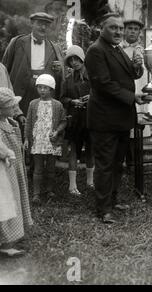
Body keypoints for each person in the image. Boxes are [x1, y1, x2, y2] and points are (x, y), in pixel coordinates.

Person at [85, 13, 144, 224]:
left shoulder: (116, 48)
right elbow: (104, 84)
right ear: (102, 29)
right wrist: (132, 97)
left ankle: (112, 199)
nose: (119, 32)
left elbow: (131, 74)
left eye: (120, 28)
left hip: (121, 118)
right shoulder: (95, 51)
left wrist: (138, 66)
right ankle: (103, 210)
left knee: (118, 163)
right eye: (113, 28)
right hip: (104, 120)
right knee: (105, 165)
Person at [1, 12, 64, 118]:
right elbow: (4, 69)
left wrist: (58, 71)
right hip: (20, 95)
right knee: (18, 126)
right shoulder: (17, 42)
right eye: (40, 24)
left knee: (41, 126)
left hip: (43, 94)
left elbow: (59, 80)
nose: (43, 27)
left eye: (46, 25)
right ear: (32, 24)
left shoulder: (55, 48)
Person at [0, 87, 33, 257]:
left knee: (15, 201)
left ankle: (10, 237)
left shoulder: (9, 122)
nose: (15, 109)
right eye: (11, 106)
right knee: (6, 205)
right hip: (3, 174)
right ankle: (5, 242)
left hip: (14, 171)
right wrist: (6, 154)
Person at [24, 74, 67, 204]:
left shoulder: (58, 105)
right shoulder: (33, 104)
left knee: (50, 168)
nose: (42, 90)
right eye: (40, 87)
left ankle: (49, 190)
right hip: (38, 140)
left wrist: (57, 131)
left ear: (51, 89)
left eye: (45, 88)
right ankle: (36, 194)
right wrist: (26, 138)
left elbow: (63, 121)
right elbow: (28, 123)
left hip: (51, 141)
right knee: (38, 168)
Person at [61, 45, 94, 196]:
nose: (74, 62)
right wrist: (73, 102)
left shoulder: (93, 77)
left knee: (90, 149)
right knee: (73, 150)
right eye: (71, 60)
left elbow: (103, 92)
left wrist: (92, 97)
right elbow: (62, 98)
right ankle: (72, 186)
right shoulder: (67, 80)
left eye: (77, 59)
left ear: (82, 58)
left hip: (91, 118)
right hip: (74, 119)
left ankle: (90, 181)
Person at [120, 19, 145, 168]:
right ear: (124, 30)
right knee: (122, 129)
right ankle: (120, 161)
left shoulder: (143, 50)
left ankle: (132, 162)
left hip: (137, 92)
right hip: (122, 93)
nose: (132, 31)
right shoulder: (118, 48)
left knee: (134, 129)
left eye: (136, 29)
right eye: (129, 28)